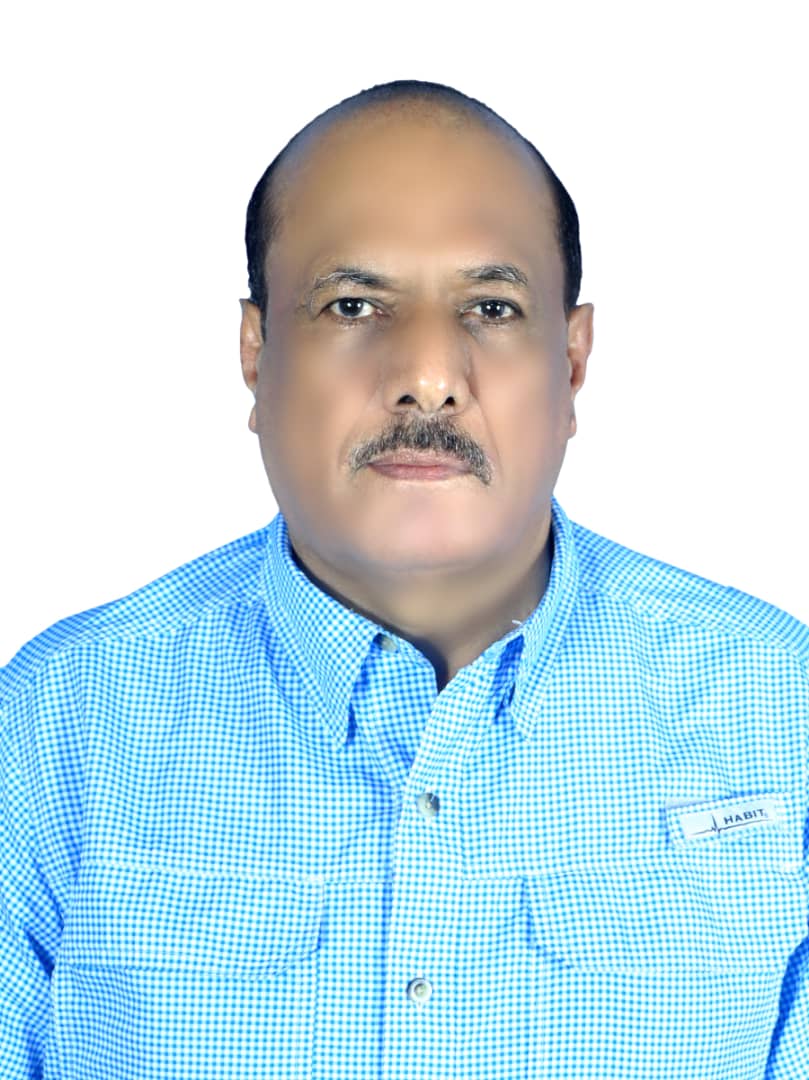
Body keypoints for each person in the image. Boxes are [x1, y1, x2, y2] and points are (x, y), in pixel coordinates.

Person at [1, 78, 807, 1080]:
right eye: (353, 305)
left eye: (490, 307)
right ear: (256, 353)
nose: (427, 374)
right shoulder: (56, 726)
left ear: (571, 361)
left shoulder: (778, 712)